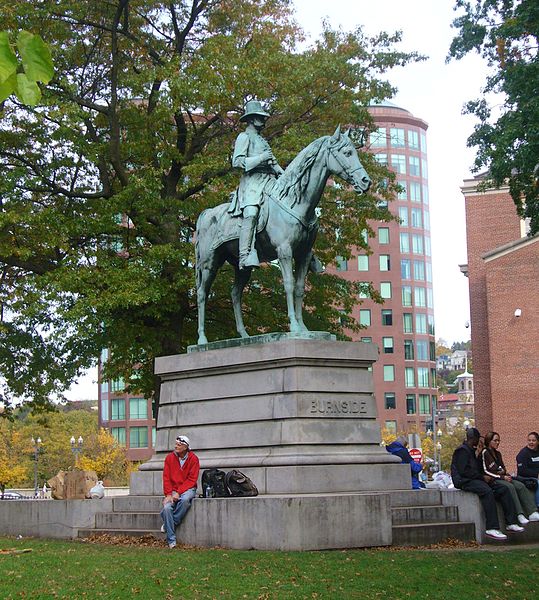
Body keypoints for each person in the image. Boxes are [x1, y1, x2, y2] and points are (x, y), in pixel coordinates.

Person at [230, 99, 284, 270]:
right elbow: (237, 162)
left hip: (269, 181)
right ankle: (245, 255)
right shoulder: (244, 137)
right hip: (252, 182)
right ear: (252, 119)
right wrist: (261, 159)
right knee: (251, 212)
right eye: (261, 117)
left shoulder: (262, 140)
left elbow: (273, 164)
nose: (264, 120)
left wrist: (285, 175)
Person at [451, 427, 523, 540]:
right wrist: (482, 477)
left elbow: (476, 469)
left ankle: (511, 523)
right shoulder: (462, 451)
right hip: (464, 481)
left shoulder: (471, 450)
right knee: (487, 491)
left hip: (474, 479)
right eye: (478, 439)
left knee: (502, 489)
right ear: (473, 438)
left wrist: (486, 476)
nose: (479, 441)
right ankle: (492, 527)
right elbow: (464, 471)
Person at [482, 431, 539, 524]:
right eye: (495, 440)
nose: (497, 443)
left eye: (498, 441)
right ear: (489, 441)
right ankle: (519, 514)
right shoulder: (485, 452)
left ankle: (532, 512)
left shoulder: (498, 453)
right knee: (510, 487)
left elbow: (503, 468)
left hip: (503, 476)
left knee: (520, 486)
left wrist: (503, 473)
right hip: (494, 480)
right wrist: (501, 476)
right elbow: (486, 471)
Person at [160, 434, 200, 549]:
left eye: (179, 445)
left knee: (185, 500)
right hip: (172, 490)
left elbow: (192, 480)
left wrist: (179, 492)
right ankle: (171, 541)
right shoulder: (169, 458)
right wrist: (168, 494)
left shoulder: (194, 459)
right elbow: (166, 477)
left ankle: (169, 525)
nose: (176, 446)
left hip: (188, 488)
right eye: (176, 444)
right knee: (167, 508)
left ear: (185, 447)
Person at [516, 431, 539, 508]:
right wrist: (536, 474)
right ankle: (538, 506)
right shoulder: (523, 453)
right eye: (529, 440)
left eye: (533, 440)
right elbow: (522, 471)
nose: (531, 442)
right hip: (525, 477)